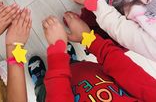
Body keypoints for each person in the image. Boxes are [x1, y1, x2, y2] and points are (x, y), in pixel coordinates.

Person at [28, 14, 156, 101]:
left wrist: (57, 53)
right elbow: (127, 71)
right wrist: (89, 39)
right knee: (75, 66)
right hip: (88, 73)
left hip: (52, 94)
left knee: (44, 91)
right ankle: (70, 62)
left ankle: (40, 82)